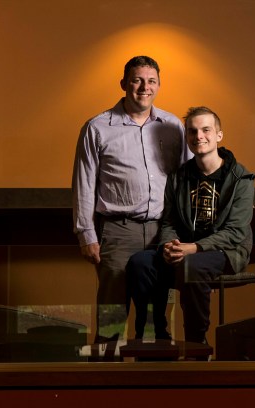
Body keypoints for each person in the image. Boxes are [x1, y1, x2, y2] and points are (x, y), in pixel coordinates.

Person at [72, 55, 189, 342]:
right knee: (112, 318)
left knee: (156, 319)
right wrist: (86, 234)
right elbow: (83, 184)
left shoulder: (173, 126)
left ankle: (151, 381)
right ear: (124, 83)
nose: (144, 87)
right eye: (137, 80)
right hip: (118, 231)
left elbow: (187, 180)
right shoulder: (97, 128)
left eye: (151, 81)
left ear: (159, 85)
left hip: (165, 232)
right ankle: (103, 380)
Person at [126, 106, 255, 343]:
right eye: (192, 131)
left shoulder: (241, 178)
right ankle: (155, 336)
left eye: (206, 130)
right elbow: (170, 221)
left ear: (219, 135)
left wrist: (193, 248)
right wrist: (168, 245)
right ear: (187, 137)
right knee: (140, 262)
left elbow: (235, 232)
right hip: (184, 249)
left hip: (226, 251)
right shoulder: (179, 177)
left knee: (191, 266)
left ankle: (197, 342)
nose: (199, 137)